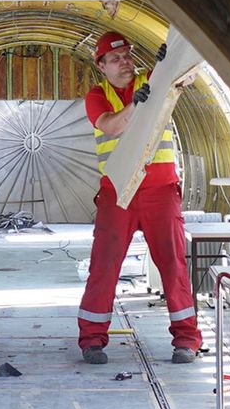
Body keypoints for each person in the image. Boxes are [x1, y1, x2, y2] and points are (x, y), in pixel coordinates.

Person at [77, 30, 202, 364]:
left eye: (127, 56)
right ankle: (92, 339)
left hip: (160, 191)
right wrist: (137, 103)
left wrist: (172, 63)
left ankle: (187, 339)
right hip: (117, 194)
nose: (125, 63)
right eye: (115, 59)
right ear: (101, 65)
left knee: (173, 265)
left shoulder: (153, 80)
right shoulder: (97, 96)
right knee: (104, 266)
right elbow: (112, 126)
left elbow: (187, 76)